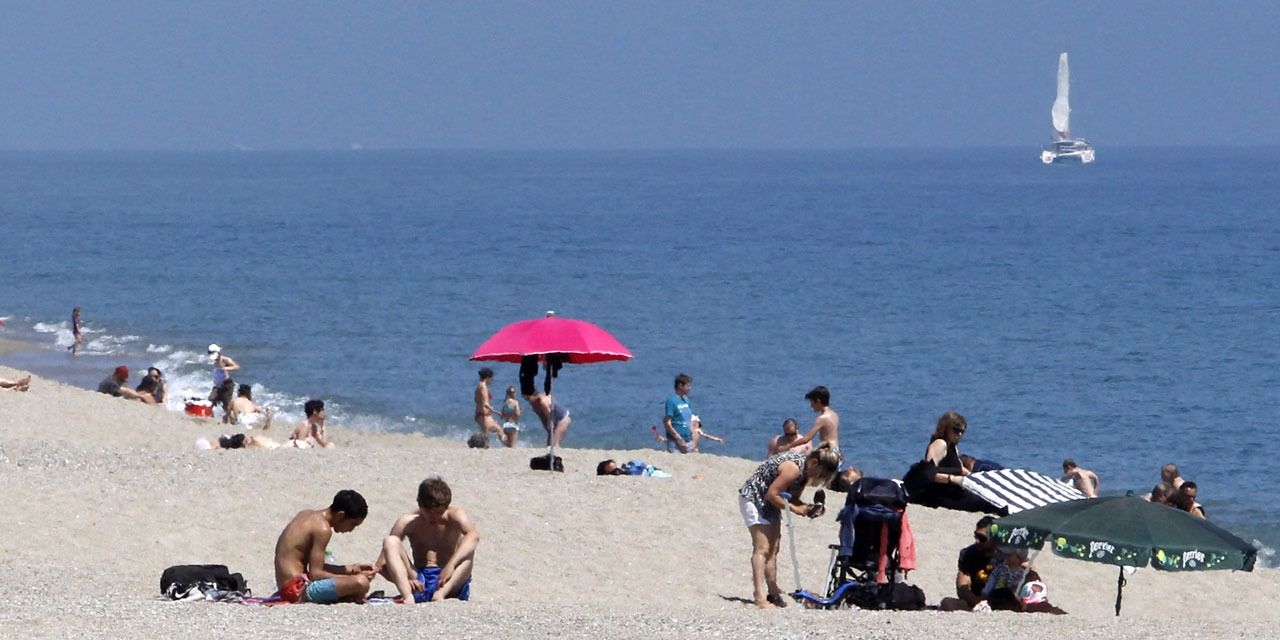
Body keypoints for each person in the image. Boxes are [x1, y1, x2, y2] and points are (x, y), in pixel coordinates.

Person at [738, 444, 841, 608]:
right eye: (820, 474)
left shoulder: (805, 473)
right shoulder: (793, 469)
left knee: (774, 549)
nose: (819, 479)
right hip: (754, 498)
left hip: (771, 503)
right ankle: (759, 596)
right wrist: (796, 509)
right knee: (762, 548)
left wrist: (807, 508)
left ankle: (773, 592)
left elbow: (791, 499)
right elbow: (772, 494)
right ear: (814, 463)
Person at [375, 477, 479, 603]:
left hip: (449, 581)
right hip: (420, 580)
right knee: (390, 541)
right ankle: (408, 596)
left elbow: (474, 536)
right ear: (420, 504)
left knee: (468, 544)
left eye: (439, 512)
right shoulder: (408, 521)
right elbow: (381, 565)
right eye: (429, 512)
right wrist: (405, 579)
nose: (434, 517)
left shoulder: (454, 515)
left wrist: (451, 565)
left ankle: (440, 595)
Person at [273, 489, 374, 604]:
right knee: (361, 582)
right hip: (296, 590)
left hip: (288, 586)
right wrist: (351, 578)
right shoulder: (322, 529)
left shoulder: (306, 514)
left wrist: (352, 569)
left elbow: (316, 567)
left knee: (356, 584)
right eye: (353, 524)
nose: (351, 530)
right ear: (341, 515)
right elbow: (316, 574)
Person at [902, 411, 997, 513]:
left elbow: (958, 468)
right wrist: (951, 479)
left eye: (962, 432)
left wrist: (974, 477)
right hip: (942, 495)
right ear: (946, 427)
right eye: (956, 430)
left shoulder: (951, 446)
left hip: (954, 492)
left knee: (989, 496)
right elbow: (927, 473)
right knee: (987, 502)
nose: (959, 434)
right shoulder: (940, 444)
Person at [939, 516, 998, 611]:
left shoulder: (1006, 555)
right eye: (976, 536)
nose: (977, 541)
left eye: (982, 538)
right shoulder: (968, 553)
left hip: (999, 600)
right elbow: (962, 587)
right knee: (947, 602)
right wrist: (978, 602)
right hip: (975, 600)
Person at [778, 386, 841, 455]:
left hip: (828, 452)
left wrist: (788, 446)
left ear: (818, 401)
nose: (811, 406)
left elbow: (806, 439)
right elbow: (833, 437)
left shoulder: (822, 418)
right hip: (836, 450)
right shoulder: (835, 415)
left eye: (812, 403)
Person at [663, 373, 698, 453]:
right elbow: (667, 423)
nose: (689, 388)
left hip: (688, 440)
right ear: (680, 386)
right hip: (675, 442)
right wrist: (678, 438)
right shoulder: (671, 401)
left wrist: (694, 438)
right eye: (687, 386)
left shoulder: (686, 400)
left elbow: (689, 420)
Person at [207, 344, 240, 423]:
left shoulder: (225, 360)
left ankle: (234, 421)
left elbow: (237, 367)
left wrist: (226, 368)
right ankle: (211, 418)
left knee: (226, 405)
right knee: (211, 400)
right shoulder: (215, 360)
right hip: (218, 385)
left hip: (227, 384)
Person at [473, 368, 504, 443]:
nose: (492, 380)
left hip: (482, 414)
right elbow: (485, 404)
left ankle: (476, 443)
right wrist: (497, 412)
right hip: (483, 416)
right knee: (498, 430)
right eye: (491, 378)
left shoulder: (479, 386)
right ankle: (508, 446)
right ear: (487, 378)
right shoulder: (483, 387)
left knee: (486, 434)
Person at [596, 459, 671, 478]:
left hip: (646, 471)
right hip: (645, 473)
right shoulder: (616, 473)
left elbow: (643, 464)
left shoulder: (625, 466)